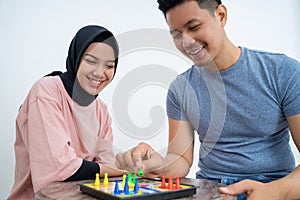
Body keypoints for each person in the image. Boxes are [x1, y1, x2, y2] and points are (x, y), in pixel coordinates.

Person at [115, 0, 300, 199]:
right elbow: (180, 159)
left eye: (193, 27)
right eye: (176, 34)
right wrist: (158, 165)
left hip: (272, 187)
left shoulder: (283, 72)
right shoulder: (180, 89)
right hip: (208, 190)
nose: (186, 42)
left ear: (221, 15)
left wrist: (277, 191)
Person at [8, 25, 126, 200]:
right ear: (76, 58)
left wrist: (126, 164)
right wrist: (112, 170)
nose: (100, 73)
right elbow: (59, 167)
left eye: (109, 65)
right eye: (91, 61)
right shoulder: (46, 91)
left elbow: (108, 168)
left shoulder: (101, 110)